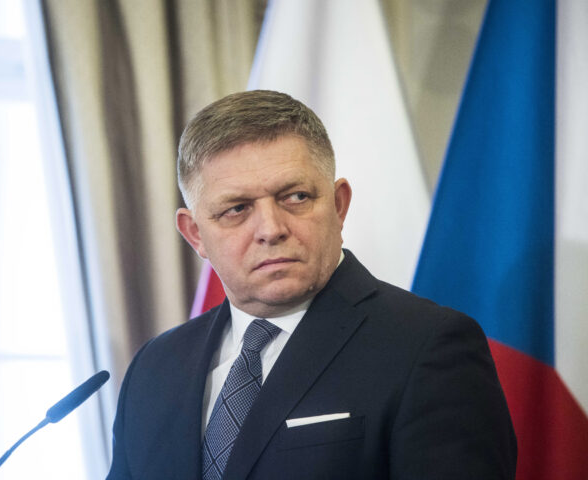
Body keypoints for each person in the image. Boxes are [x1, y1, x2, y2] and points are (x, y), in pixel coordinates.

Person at [106, 90, 517, 479]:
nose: (270, 229)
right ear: (195, 234)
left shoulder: (428, 346)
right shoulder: (154, 367)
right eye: (236, 208)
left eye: (296, 197)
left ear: (339, 206)